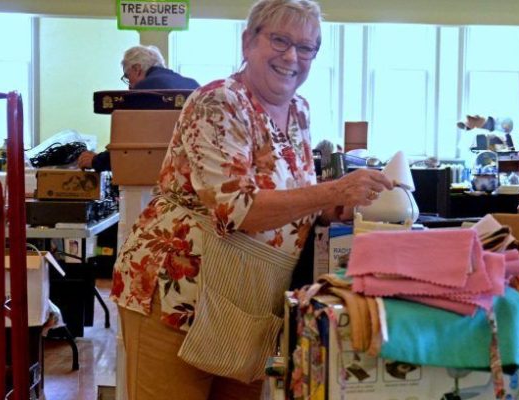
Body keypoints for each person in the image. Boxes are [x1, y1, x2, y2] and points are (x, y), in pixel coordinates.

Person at [111, 1, 393, 398]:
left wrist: (335, 208)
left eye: (306, 47)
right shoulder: (220, 102)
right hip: (178, 292)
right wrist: (334, 189)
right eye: (279, 40)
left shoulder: (299, 111)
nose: (292, 56)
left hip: (248, 301)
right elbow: (239, 210)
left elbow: (293, 197)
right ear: (248, 42)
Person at [78, 45, 200, 171]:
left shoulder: (144, 89)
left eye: (127, 77)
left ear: (137, 69)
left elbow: (128, 144)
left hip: (154, 175)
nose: (129, 87)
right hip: (192, 169)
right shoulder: (193, 84)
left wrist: (97, 161)